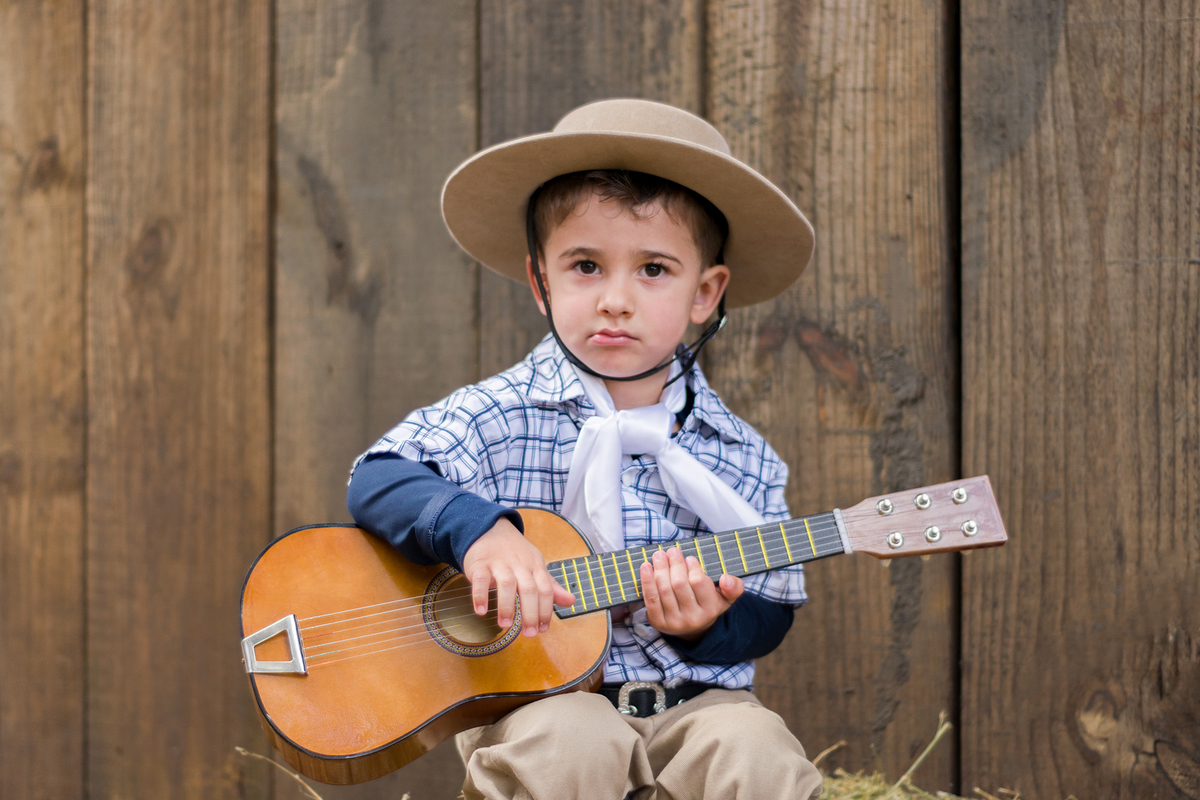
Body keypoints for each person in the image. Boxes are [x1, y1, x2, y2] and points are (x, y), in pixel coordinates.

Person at [347, 98, 823, 800]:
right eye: (586, 266)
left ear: (706, 292)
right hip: (538, 705)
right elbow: (379, 479)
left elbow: (771, 613)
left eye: (654, 269)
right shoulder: (500, 414)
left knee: (754, 747)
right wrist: (479, 534)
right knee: (573, 740)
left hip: (692, 705)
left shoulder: (741, 456)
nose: (616, 300)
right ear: (542, 282)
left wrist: (709, 625)